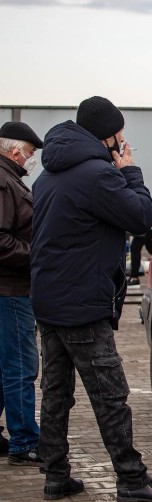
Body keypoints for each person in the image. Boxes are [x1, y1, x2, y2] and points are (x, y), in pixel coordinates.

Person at [31, 96, 152, 502]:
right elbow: (139, 217)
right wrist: (130, 171)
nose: (124, 139)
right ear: (108, 136)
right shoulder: (98, 175)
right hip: (82, 305)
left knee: (56, 392)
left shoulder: (48, 175)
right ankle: (132, 479)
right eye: (120, 133)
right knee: (110, 395)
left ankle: (55, 474)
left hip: (49, 301)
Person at [0, 122, 44, 466]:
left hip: (10, 290)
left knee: (6, 366)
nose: (31, 160)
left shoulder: (9, 181)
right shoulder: (4, 183)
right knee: (20, 367)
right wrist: (38, 256)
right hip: (11, 291)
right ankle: (25, 440)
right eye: (30, 153)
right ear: (15, 150)